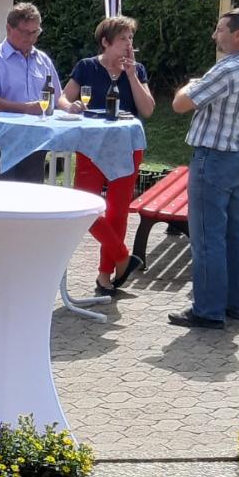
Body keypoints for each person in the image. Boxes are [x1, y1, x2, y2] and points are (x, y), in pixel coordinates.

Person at [169, 8, 239, 330]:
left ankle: (208, 310)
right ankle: (237, 305)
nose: (215, 35)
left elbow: (180, 104)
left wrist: (189, 85)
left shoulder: (227, 68)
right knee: (235, 234)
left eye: (220, 29)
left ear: (237, 34)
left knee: (206, 237)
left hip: (214, 160)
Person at [62, 15, 155, 296]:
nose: (129, 45)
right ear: (106, 42)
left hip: (126, 147)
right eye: (123, 39)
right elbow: (64, 98)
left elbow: (148, 109)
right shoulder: (87, 67)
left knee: (117, 210)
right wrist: (70, 107)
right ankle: (122, 256)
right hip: (91, 146)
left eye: (131, 39)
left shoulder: (136, 70)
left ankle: (105, 278)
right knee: (84, 205)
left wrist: (130, 75)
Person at [0, 2, 76, 181]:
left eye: (35, 32)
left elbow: (57, 97)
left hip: (34, 140)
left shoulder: (42, 60)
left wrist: (70, 107)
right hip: (1, 139)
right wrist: (27, 108)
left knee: (30, 199)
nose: (30, 38)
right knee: (0, 198)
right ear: (9, 29)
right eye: (25, 32)